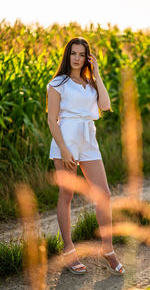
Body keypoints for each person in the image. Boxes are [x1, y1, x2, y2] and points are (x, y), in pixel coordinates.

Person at [46, 37, 125, 275]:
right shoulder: (57, 83)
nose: (77, 58)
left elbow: (106, 104)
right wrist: (64, 149)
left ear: (87, 57)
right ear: (67, 56)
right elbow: (52, 119)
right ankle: (68, 249)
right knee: (67, 194)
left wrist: (97, 73)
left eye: (82, 54)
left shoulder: (90, 83)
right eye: (73, 54)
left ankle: (108, 249)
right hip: (66, 137)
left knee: (104, 194)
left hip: (89, 138)